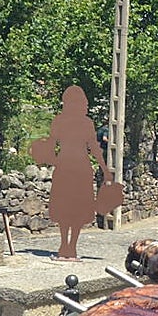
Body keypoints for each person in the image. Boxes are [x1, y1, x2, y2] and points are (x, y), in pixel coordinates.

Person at [37, 86, 114, 260]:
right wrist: (105, 169)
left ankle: (65, 245)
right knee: (77, 207)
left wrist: (50, 159)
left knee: (65, 206)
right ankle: (71, 247)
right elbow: (94, 148)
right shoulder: (86, 123)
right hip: (81, 168)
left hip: (65, 167)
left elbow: (51, 144)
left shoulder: (59, 121)